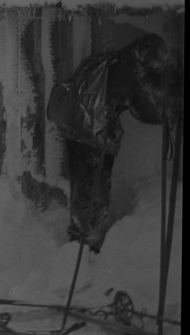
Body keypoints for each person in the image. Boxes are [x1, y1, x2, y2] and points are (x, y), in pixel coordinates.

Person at [47, 33, 180, 253]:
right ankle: (88, 246)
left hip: (75, 125)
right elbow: (141, 108)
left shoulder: (112, 59)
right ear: (145, 54)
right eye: (157, 61)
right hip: (91, 130)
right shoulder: (130, 72)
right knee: (95, 188)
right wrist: (168, 116)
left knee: (83, 184)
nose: (157, 66)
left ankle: (80, 238)